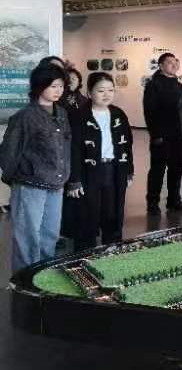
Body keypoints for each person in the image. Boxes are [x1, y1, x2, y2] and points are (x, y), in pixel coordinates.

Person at [0, 65, 71, 274]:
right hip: (30, 185)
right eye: (53, 86)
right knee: (27, 236)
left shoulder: (62, 113)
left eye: (61, 86)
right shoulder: (25, 116)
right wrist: (18, 179)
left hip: (56, 184)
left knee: (50, 234)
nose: (58, 91)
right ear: (39, 86)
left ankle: (44, 276)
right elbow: (8, 152)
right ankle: (24, 280)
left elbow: (65, 147)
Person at [66, 72, 134, 251]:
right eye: (101, 90)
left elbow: (127, 145)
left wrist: (129, 171)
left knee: (112, 214)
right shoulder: (78, 116)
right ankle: (84, 255)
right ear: (89, 92)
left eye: (110, 90)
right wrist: (74, 180)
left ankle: (111, 251)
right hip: (88, 173)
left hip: (114, 170)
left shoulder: (119, 114)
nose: (106, 94)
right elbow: (73, 150)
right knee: (88, 214)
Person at [143, 52, 182, 214]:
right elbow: (149, 111)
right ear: (160, 66)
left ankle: (173, 200)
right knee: (157, 171)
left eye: (176, 62)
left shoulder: (179, 86)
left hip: (179, 136)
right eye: (169, 62)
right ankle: (152, 203)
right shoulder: (153, 85)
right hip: (161, 137)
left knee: (176, 169)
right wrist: (156, 135)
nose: (174, 64)